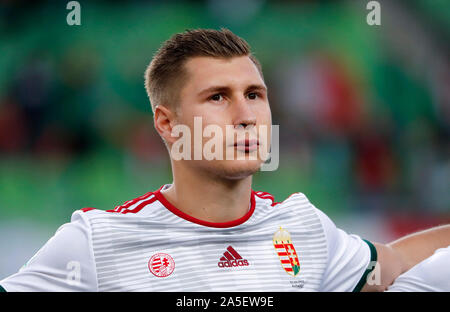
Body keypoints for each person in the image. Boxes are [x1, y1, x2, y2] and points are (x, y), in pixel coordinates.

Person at [1, 28, 449, 292]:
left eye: (254, 95)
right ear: (167, 124)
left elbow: (392, 263)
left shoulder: (304, 230)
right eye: (218, 97)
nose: (245, 116)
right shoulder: (96, 244)